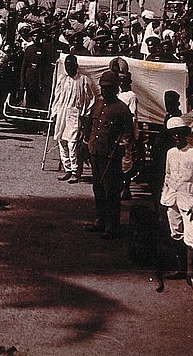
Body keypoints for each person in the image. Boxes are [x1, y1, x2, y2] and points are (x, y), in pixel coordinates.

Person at [160, 116, 193, 292]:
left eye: (179, 134)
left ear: (185, 135)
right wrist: (165, 199)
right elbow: (167, 176)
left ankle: (191, 274)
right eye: (173, 135)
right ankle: (180, 268)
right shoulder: (170, 153)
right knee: (176, 234)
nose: (176, 138)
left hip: (190, 201)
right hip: (172, 199)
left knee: (192, 236)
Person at [86, 70, 133, 239]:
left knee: (111, 192)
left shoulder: (122, 109)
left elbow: (128, 134)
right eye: (102, 88)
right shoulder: (97, 104)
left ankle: (112, 225)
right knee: (98, 189)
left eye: (108, 88)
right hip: (96, 152)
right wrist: (86, 146)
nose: (104, 91)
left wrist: (121, 148)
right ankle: (100, 220)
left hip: (110, 157)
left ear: (115, 89)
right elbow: (90, 127)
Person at [52, 54, 95, 183]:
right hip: (62, 113)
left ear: (76, 66)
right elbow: (57, 97)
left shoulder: (83, 80)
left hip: (75, 114)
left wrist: (85, 114)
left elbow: (90, 99)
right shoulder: (62, 79)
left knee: (72, 143)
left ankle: (76, 172)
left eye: (71, 65)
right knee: (61, 141)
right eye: (66, 66)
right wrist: (54, 114)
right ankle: (68, 169)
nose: (68, 68)